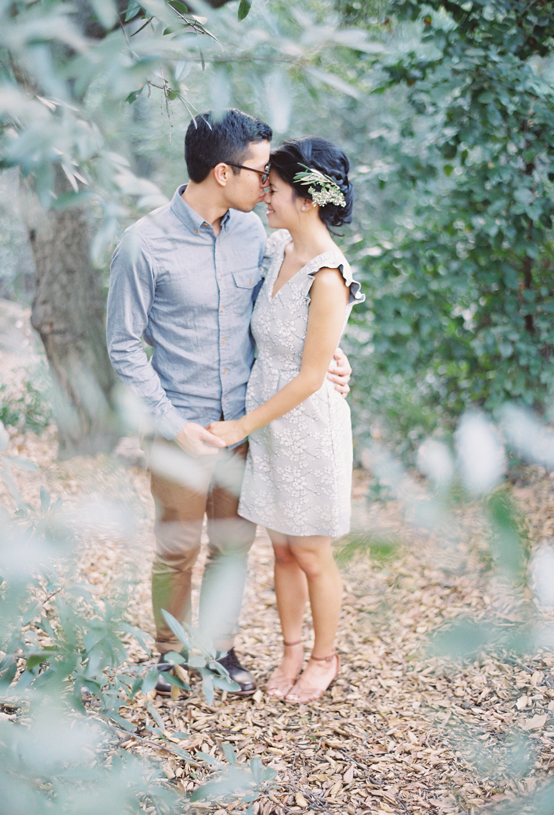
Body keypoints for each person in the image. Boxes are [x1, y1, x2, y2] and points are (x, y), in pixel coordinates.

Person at [106, 109, 350, 698]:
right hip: (179, 429)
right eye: (262, 172)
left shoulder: (260, 238)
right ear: (223, 172)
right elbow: (122, 345)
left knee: (233, 547)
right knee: (177, 548)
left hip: (248, 429)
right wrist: (173, 424)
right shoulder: (143, 245)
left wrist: (335, 359)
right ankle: (170, 655)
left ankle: (218, 650)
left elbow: (298, 313)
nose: (270, 185)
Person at [206, 137, 363, 703]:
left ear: (308, 199)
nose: (265, 196)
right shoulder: (275, 249)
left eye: (273, 189)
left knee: (312, 553)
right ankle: (290, 650)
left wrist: (239, 427)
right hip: (268, 424)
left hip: (306, 427)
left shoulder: (329, 275)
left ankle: (325, 657)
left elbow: (309, 375)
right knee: (281, 550)